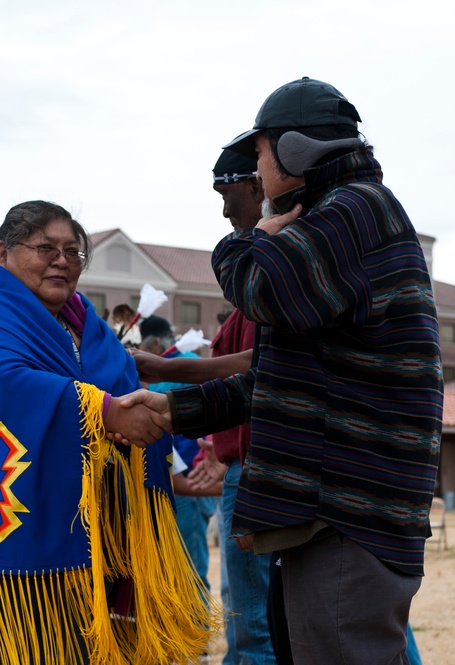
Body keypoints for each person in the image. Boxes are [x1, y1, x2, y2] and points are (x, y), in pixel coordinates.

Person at [128, 77, 443, 663]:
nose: (256, 170)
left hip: (345, 512)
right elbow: (283, 376)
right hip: (332, 512)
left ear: (294, 152)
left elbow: (260, 288)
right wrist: (176, 411)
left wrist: (246, 240)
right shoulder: (340, 216)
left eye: (261, 153)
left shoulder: (355, 211)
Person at [0, 201, 217, 664]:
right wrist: (102, 410)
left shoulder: (86, 327)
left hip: (82, 539)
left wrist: (125, 415)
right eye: (46, 248)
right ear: (2, 252)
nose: (62, 260)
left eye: (73, 252)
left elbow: (117, 379)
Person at [136, 148, 277, 665]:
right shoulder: (261, 286)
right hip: (239, 467)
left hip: (257, 472)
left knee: (252, 625)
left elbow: (257, 371)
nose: (224, 212)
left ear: (257, 187)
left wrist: (169, 374)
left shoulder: (277, 277)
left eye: (227, 196)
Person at [138, 314, 216, 599]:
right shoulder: (172, 366)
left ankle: (198, 641)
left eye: (142, 349)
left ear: (155, 343)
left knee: (190, 568)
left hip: (192, 483)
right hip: (169, 480)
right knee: (171, 568)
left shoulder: (189, 366)